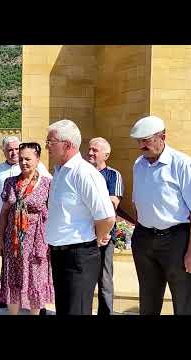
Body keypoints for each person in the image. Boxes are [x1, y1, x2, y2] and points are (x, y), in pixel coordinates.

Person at [130, 115, 191, 315]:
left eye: (146, 140)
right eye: (139, 141)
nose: (141, 146)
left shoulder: (183, 164)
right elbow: (137, 202)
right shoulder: (139, 165)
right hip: (145, 237)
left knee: (183, 301)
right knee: (148, 300)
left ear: (162, 137)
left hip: (175, 240)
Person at [45, 120, 115, 315]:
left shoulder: (84, 174)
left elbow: (107, 217)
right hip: (60, 253)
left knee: (77, 310)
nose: (47, 146)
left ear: (67, 145)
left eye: (51, 142)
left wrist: (97, 238)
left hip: (79, 256)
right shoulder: (59, 171)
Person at [0, 135, 51, 312]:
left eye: (28, 159)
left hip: (36, 241)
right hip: (13, 240)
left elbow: (53, 214)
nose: (23, 162)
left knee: (35, 278)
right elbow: (4, 213)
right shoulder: (10, 182)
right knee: (13, 280)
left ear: (38, 159)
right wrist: (0, 240)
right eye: (21, 158)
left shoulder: (47, 184)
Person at [86, 137, 124, 315]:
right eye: (89, 149)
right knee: (83, 278)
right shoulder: (82, 172)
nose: (90, 153)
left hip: (105, 235)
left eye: (95, 150)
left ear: (106, 155)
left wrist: (88, 203)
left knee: (104, 278)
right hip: (83, 233)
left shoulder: (113, 175)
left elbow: (113, 203)